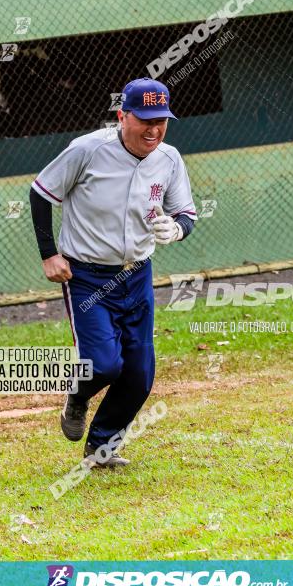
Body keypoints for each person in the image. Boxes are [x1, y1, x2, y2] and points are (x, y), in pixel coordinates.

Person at [29, 77, 197, 465]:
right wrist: (48, 254)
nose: (154, 129)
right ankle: (78, 395)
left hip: (137, 274)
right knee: (105, 364)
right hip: (86, 276)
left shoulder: (169, 158)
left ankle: (101, 447)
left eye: (162, 120)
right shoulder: (87, 150)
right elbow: (40, 192)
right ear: (122, 116)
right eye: (144, 119)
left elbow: (186, 213)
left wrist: (176, 228)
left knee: (139, 374)